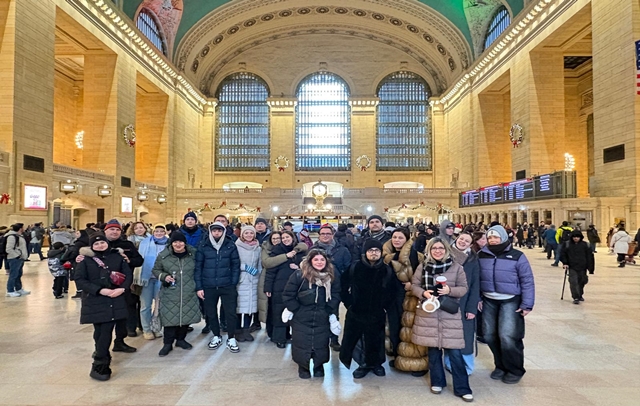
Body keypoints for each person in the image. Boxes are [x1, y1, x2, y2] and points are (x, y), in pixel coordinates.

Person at [411, 237, 472, 402]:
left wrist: (449, 290)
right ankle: (437, 381)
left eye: (440, 248)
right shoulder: (422, 266)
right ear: (429, 251)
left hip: (449, 314)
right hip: (428, 313)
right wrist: (423, 293)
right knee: (433, 351)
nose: (437, 251)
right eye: (434, 248)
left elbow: (463, 288)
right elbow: (414, 285)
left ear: (446, 250)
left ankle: (463, 388)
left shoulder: (456, 267)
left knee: (455, 353)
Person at [478, 225, 535, 385]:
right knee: (489, 335)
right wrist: (477, 298)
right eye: (490, 238)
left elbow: (527, 280)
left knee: (508, 336)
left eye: (496, 237)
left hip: (510, 300)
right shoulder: (481, 255)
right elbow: (475, 278)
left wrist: (527, 303)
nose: (492, 240)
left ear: (503, 237)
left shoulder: (517, 256)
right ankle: (500, 365)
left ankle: (515, 369)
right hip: (489, 299)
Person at [74, 233, 132, 381]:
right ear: (92, 246)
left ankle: (100, 362)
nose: (100, 246)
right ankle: (101, 353)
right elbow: (80, 279)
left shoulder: (117, 257)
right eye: (96, 244)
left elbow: (128, 274)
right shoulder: (85, 260)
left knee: (106, 330)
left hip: (115, 298)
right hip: (96, 299)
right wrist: (100, 290)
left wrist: (122, 289)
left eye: (102, 243)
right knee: (99, 331)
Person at [282, 249, 341, 379]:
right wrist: (296, 309)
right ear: (310, 261)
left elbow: (336, 294)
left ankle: (318, 366)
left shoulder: (331, 276)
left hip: (322, 314)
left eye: (322, 259)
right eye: (316, 259)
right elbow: (288, 295)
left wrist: (329, 309)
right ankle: (303, 367)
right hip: (302, 315)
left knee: (321, 342)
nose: (319, 262)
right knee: (301, 342)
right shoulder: (299, 275)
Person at [340, 239, 394, 379]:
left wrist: (385, 305)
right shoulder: (355, 267)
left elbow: (392, 290)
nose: (374, 253)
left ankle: (376, 364)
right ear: (365, 252)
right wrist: (349, 303)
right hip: (357, 311)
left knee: (377, 338)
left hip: (377, 312)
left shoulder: (386, 269)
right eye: (371, 250)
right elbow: (343, 285)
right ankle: (363, 364)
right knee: (359, 339)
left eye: (377, 250)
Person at [382, 228, 428, 376]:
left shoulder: (416, 256)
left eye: (400, 237)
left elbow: (423, 277)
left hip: (411, 297)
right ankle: (399, 357)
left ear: (407, 239)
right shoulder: (387, 256)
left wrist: (412, 285)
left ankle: (416, 363)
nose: (396, 240)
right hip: (392, 297)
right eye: (394, 237)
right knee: (395, 327)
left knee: (411, 330)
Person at [152, 231, 201, 357]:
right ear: (171, 243)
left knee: (185, 316)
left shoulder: (193, 254)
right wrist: (164, 276)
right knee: (169, 318)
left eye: (181, 242)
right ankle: (167, 343)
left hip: (188, 290)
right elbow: (156, 270)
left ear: (185, 243)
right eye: (175, 242)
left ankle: (181, 339)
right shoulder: (164, 256)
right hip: (170, 292)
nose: (178, 244)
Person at [196, 222, 241, 353]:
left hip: (227, 285)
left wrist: (233, 283)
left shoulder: (230, 245)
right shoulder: (203, 245)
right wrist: (199, 287)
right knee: (211, 313)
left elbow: (235, 265)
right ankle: (216, 335)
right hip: (208, 285)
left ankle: (231, 337)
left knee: (230, 313)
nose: (217, 233)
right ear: (210, 232)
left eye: (219, 231)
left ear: (223, 232)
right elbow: (198, 267)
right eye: (214, 230)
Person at [312, 223, 352, 351]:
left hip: (336, 287)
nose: (325, 236)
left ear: (333, 235)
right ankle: (319, 340)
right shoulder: (313, 250)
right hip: (317, 287)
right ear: (319, 235)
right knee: (317, 313)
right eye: (323, 234)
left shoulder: (342, 250)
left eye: (328, 234)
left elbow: (348, 268)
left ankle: (334, 340)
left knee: (333, 313)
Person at [102, 219, 144, 342]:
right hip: (105, 283)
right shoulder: (99, 244)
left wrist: (129, 260)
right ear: (106, 231)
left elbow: (139, 260)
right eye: (111, 229)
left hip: (124, 282)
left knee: (128, 306)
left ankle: (129, 329)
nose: (114, 232)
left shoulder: (127, 245)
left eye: (117, 230)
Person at [265, 230, 306, 348]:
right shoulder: (277, 251)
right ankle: (279, 338)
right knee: (278, 311)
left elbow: (307, 267)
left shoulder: (300, 251)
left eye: (287, 237)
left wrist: (298, 267)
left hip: (296, 287)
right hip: (279, 287)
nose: (285, 239)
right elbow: (270, 271)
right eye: (283, 238)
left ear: (293, 238)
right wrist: (268, 287)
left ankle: (289, 335)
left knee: (293, 311)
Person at [447, 232, 481, 375]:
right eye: (461, 239)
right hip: (446, 299)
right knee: (448, 334)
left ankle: (467, 365)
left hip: (465, 301)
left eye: (467, 241)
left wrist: (472, 308)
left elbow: (475, 284)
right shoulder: (445, 252)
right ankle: (449, 363)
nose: (462, 242)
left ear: (470, 244)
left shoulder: (473, 258)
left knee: (465, 334)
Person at [138, 224, 169, 340]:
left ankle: (156, 327)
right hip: (147, 278)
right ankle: (146, 329)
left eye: (161, 231)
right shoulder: (145, 243)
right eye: (157, 231)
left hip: (162, 278)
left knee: (159, 305)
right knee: (145, 306)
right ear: (153, 232)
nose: (159, 233)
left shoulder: (169, 244)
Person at [235, 225, 262, 342]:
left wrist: (258, 275)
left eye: (251, 233)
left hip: (253, 281)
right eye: (246, 233)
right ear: (242, 234)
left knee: (250, 307)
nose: (249, 235)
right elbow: (233, 262)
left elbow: (259, 264)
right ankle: (237, 331)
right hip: (241, 280)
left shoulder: (258, 248)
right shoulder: (236, 246)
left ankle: (246, 330)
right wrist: (245, 267)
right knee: (239, 307)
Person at [560, 230, 595, 304]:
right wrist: (565, 263)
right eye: (574, 237)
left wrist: (591, 268)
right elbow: (563, 254)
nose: (576, 238)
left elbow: (590, 257)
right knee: (573, 281)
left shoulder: (586, 245)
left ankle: (580, 294)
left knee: (582, 281)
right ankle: (575, 296)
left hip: (583, 266)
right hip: (572, 266)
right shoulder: (567, 244)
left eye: (577, 237)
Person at [5, 223, 30, 297]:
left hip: (20, 258)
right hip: (14, 258)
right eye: (23, 227)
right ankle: (10, 290)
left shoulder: (18, 236)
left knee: (18, 274)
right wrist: (17, 255)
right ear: (20, 228)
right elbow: (9, 249)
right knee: (13, 275)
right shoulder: (11, 236)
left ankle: (18, 288)